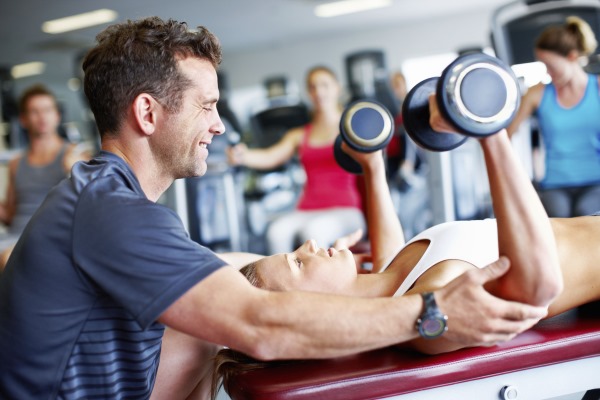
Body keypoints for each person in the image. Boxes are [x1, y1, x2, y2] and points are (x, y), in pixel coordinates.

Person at [0, 17, 549, 400]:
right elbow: (258, 324)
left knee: (210, 315)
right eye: (208, 106)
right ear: (147, 112)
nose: (218, 124)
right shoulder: (111, 208)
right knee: (217, 325)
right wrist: (432, 311)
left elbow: (233, 273)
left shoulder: (105, 197)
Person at [213, 93, 600, 393]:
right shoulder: (430, 315)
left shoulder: (395, 281)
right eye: (298, 263)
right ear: (309, 308)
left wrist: (372, 166)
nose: (310, 244)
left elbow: (390, 255)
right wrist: (491, 134)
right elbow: (538, 287)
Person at [227, 66, 366, 254]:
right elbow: (271, 156)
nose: (319, 92)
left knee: (313, 232)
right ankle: (284, 284)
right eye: (313, 87)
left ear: (337, 88)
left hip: (347, 210)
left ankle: (320, 283)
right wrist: (242, 155)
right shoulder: (300, 134)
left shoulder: (352, 129)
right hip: (307, 209)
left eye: (325, 85)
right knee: (276, 233)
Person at [507, 16, 600, 217]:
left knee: (586, 215)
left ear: (572, 57)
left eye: (551, 65)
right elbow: (507, 134)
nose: (548, 72)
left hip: (596, 182)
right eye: (543, 65)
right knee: (555, 221)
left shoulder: (597, 88)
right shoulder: (538, 93)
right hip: (555, 185)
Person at [0, 84, 91, 269]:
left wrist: (74, 171)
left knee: (10, 258)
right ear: (23, 119)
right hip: (15, 236)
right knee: (8, 255)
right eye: (35, 111)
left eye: (47, 110)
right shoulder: (16, 163)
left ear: (57, 116)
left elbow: (92, 204)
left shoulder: (75, 156)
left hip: (51, 237)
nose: (42, 117)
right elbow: (10, 214)